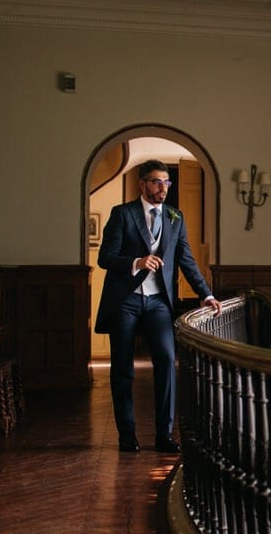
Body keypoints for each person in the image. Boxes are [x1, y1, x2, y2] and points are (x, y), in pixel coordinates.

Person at [95, 159, 222, 453]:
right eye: (156, 182)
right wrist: (136, 262)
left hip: (158, 303)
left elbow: (187, 261)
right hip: (125, 300)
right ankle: (127, 435)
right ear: (142, 184)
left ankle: (164, 435)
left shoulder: (176, 217)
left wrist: (206, 294)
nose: (162, 188)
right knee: (123, 369)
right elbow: (105, 258)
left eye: (167, 183)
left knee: (166, 362)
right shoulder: (122, 214)